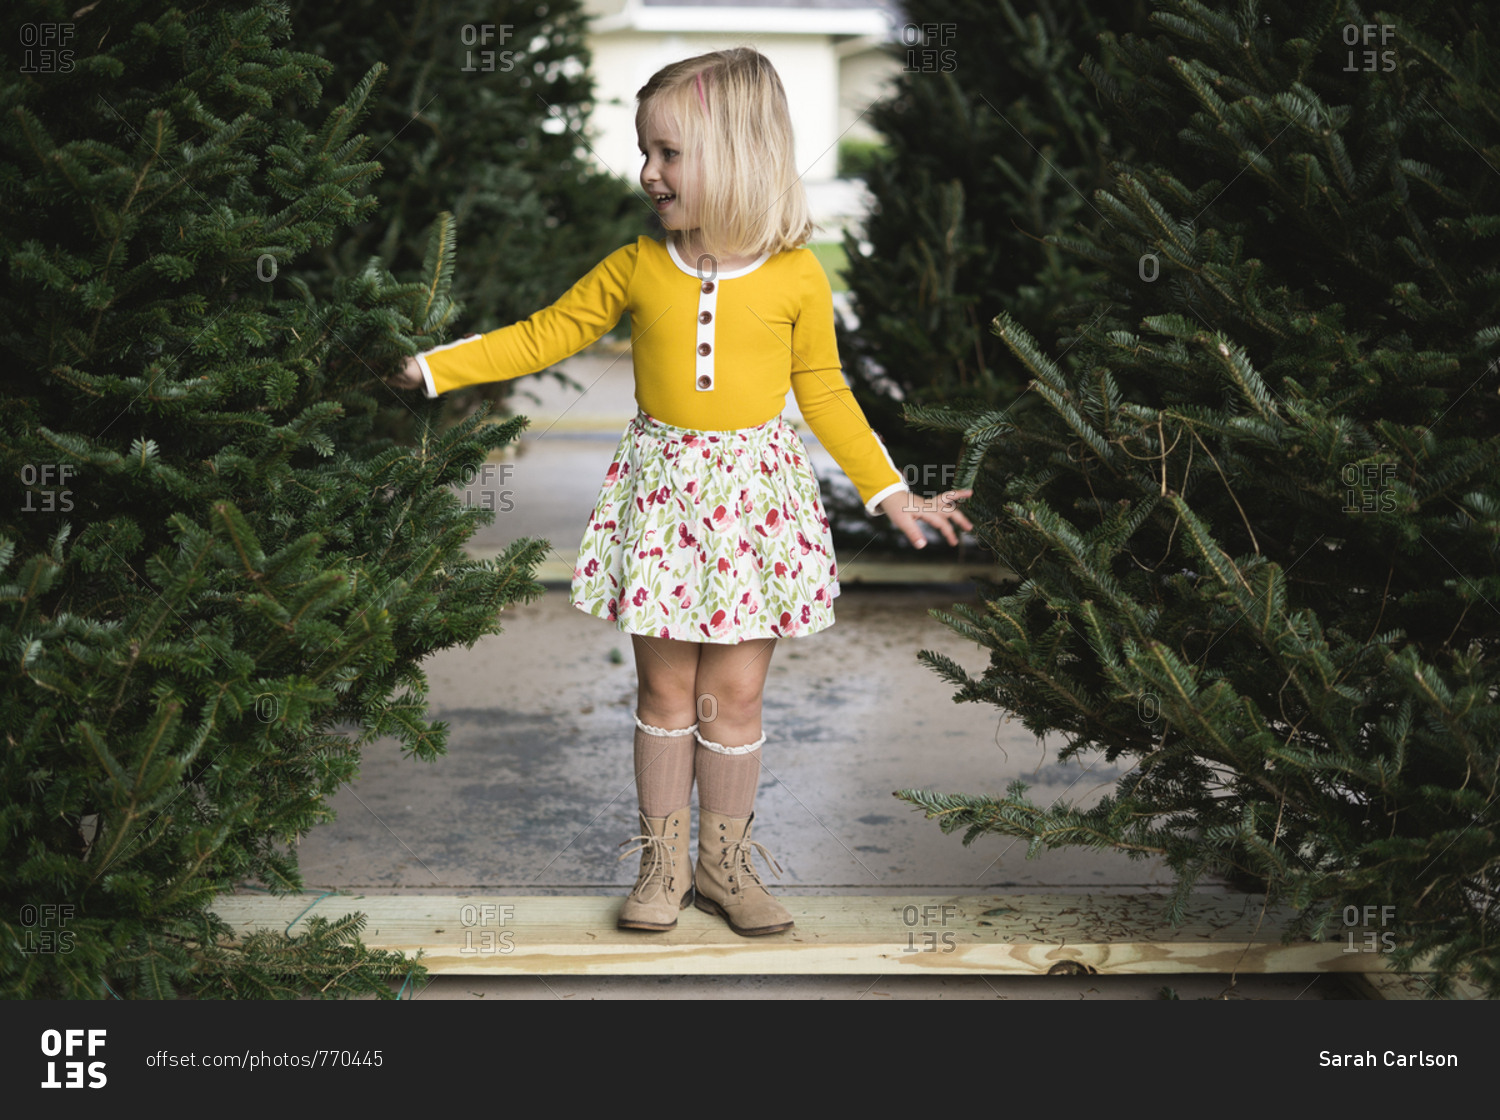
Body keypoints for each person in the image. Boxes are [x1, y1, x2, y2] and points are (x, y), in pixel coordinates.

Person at [385, 48, 973, 937]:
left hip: (757, 507)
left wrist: (891, 492)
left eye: (667, 153)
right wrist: (429, 368)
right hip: (662, 503)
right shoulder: (636, 266)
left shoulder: (796, 276)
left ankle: (725, 869)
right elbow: (544, 334)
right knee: (666, 698)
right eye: (644, 153)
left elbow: (826, 392)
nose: (648, 173)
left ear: (737, 154)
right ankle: (662, 867)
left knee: (732, 700)